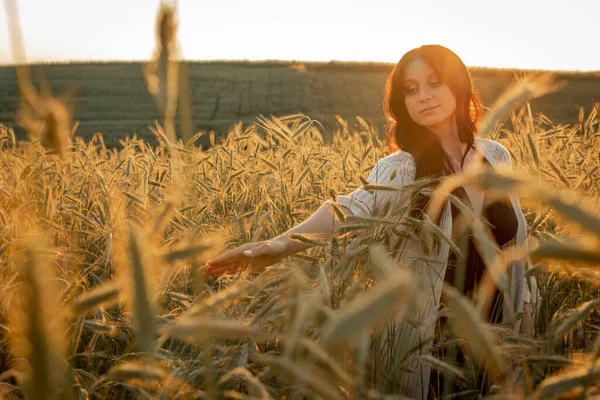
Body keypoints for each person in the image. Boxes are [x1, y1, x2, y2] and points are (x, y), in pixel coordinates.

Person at [199, 44, 537, 399]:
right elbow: (347, 209)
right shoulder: (402, 168)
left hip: (500, 338)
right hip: (433, 347)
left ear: (457, 85)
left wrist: (524, 318)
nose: (423, 96)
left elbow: (517, 247)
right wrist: (280, 244)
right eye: (411, 89)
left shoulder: (497, 157)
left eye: (434, 83)